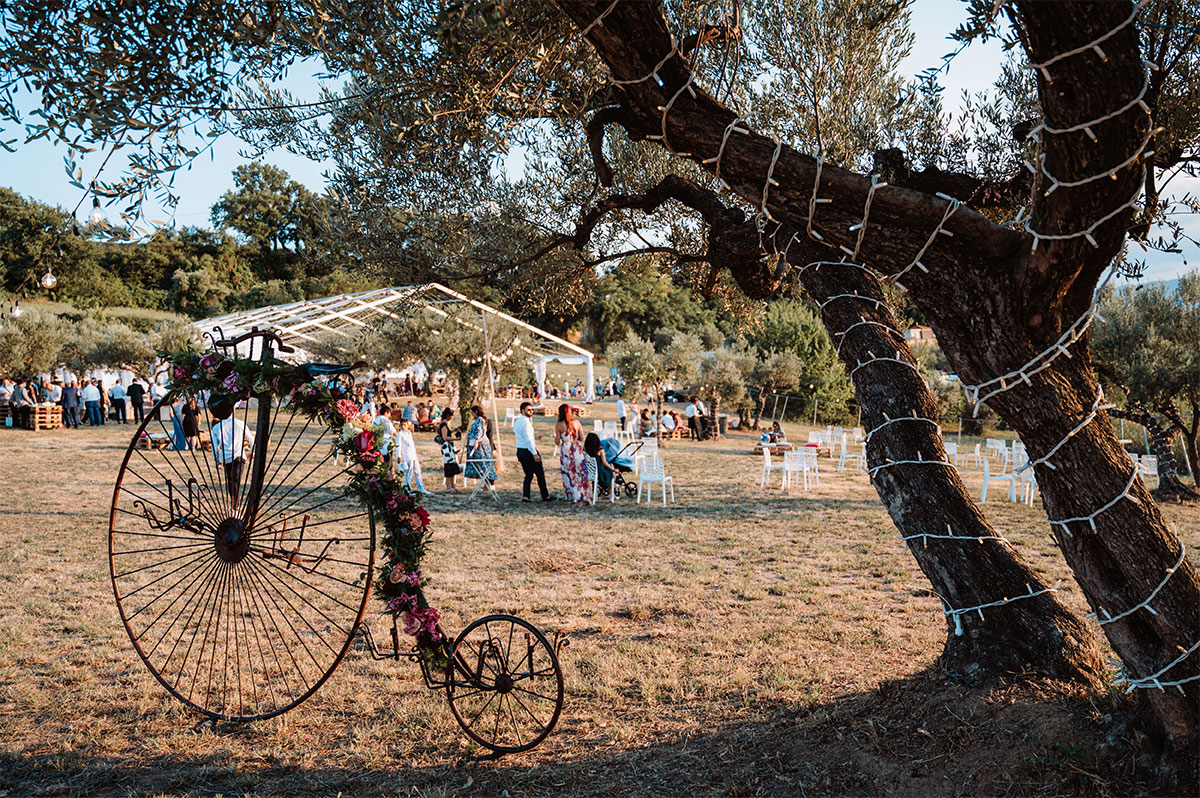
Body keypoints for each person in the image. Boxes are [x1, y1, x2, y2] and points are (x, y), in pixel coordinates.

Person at [210, 396, 255, 507]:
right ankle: (236, 505)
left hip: (226, 458)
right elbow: (252, 439)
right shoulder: (240, 423)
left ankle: (235, 504)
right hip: (239, 456)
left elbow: (215, 447)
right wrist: (251, 452)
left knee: (230, 481)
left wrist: (217, 460)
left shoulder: (217, 428)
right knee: (236, 481)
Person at [513, 401, 554, 502]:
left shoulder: (518, 422)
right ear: (523, 411)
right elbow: (528, 440)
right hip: (528, 451)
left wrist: (534, 438)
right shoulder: (526, 423)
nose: (531, 411)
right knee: (540, 474)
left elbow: (524, 437)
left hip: (520, 450)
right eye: (529, 410)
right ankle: (545, 496)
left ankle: (526, 496)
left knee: (528, 474)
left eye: (532, 410)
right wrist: (534, 453)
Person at [554, 403, 590, 503]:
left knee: (568, 473)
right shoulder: (577, 423)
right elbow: (582, 438)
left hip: (566, 450)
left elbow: (557, 442)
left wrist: (557, 437)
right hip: (576, 449)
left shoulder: (559, 425)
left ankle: (572, 495)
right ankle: (584, 495)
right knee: (580, 472)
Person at [464, 405, 498, 486]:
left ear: (476, 412)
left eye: (472, 412)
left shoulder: (480, 420)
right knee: (482, 466)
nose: (471, 414)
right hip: (477, 446)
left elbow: (480, 432)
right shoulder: (478, 420)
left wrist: (476, 441)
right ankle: (486, 484)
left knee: (484, 465)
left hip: (481, 447)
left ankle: (488, 484)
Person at [395, 418, 427, 494]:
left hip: (413, 455)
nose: (403, 426)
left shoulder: (409, 432)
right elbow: (398, 446)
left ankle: (421, 488)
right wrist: (399, 456)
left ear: (408, 425)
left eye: (404, 425)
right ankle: (407, 489)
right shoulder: (400, 434)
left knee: (417, 472)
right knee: (409, 473)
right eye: (401, 425)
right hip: (407, 456)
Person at [437, 408, 462, 491]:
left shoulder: (445, 423)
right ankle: (448, 487)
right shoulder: (443, 425)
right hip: (446, 448)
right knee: (448, 466)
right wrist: (455, 439)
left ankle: (452, 486)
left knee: (452, 465)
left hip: (449, 447)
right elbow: (444, 437)